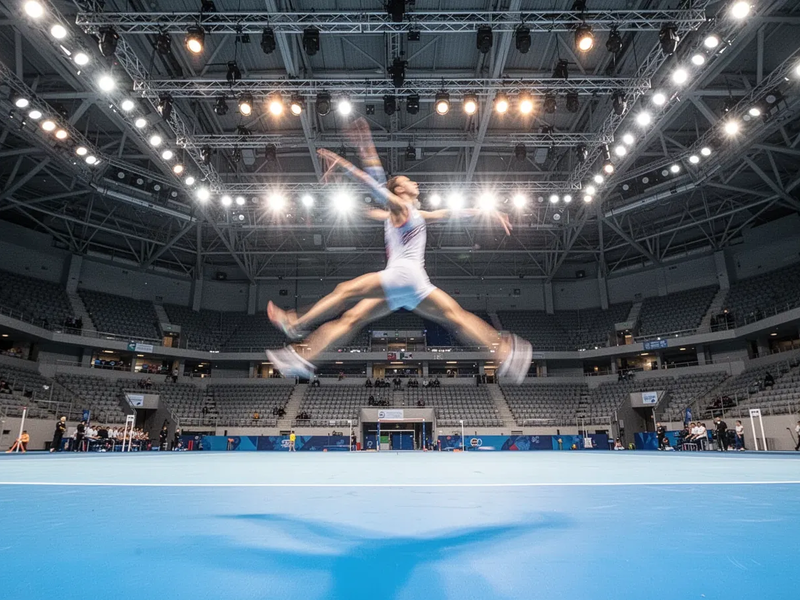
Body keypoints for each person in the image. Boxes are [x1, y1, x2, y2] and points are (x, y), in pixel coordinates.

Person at [265, 119, 532, 383]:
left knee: (344, 293)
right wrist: (364, 147)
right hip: (414, 284)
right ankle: (507, 353)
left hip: (400, 277)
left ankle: (296, 324)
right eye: (409, 180)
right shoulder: (402, 210)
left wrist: (343, 163)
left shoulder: (404, 209)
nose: (416, 183)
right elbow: (375, 183)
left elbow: (379, 185)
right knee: (455, 317)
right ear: (400, 189)